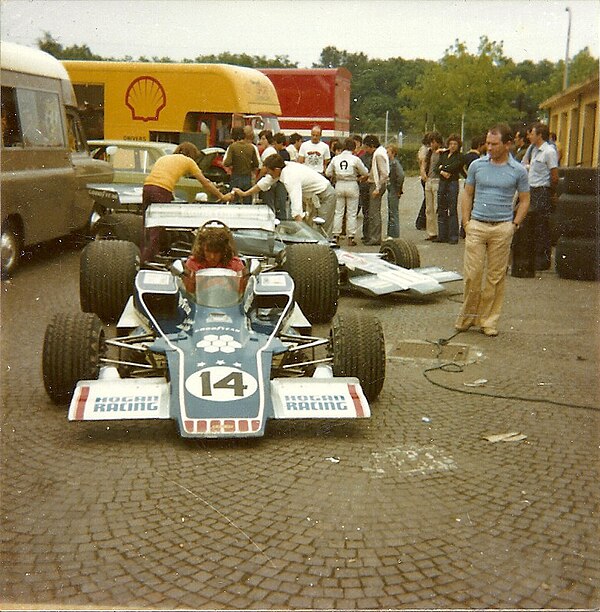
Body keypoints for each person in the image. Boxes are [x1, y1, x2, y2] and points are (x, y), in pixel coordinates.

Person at [455, 124, 530, 337]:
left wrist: (514, 224)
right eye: (487, 143)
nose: (489, 147)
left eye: (494, 144)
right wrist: (466, 222)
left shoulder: (518, 171)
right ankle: (468, 317)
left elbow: (525, 200)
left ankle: (488, 320)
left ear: (507, 144)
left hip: (502, 228)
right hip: (477, 226)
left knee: (495, 277)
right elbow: (467, 194)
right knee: (473, 274)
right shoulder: (477, 166)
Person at [141, 141, 232, 262]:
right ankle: (148, 260)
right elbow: (205, 183)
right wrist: (222, 196)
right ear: (192, 154)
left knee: (147, 224)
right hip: (162, 190)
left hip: (147, 187)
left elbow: (162, 176)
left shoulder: (164, 158)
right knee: (158, 227)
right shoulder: (189, 161)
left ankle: (144, 254)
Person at [232, 154, 336, 233]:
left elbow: (296, 205)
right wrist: (245, 194)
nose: (268, 173)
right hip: (313, 197)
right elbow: (264, 183)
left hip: (325, 195)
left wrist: (300, 229)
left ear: (276, 170)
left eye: (269, 171)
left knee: (322, 230)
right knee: (312, 230)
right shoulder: (281, 168)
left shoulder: (290, 177)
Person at [522, 122, 559, 271]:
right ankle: (533, 257)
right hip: (532, 190)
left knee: (542, 226)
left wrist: (551, 192)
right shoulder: (533, 151)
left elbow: (554, 175)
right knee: (532, 225)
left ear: (539, 135)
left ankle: (543, 261)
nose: (529, 136)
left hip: (542, 190)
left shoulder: (549, 152)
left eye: (532, 133)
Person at [325, 137, 368, 245]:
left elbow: (328, 173)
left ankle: (336, 235)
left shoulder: (336, 158)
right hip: (352, 184)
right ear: (353, 148)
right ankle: (351, 237)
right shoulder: (355, 159)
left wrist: (336, 174)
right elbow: (365, 172)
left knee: (338, 212)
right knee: (351, 213)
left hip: (339, 184)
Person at [183, 224, 246, 294]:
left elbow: (241, 293)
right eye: (208, 251)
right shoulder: (193, 263)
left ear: (223, 251)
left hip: (229, 302)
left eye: (216, 252)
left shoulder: (235, 264)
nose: (212, 256)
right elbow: (189, 293)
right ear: (202, 250)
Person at [436, 134, 464, 244]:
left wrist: (442, 168)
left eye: (455, 144)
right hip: (443, 182)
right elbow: (436, 167)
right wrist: (442, 171)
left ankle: (453, 236)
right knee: (441, 208)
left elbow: (454, 166)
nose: (452, 146)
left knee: (452, 209)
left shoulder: (460, 156)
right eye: (451, 144)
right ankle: (442, 235)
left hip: (452, 182)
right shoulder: (444, 154)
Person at [362, 134, 389, 246]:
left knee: (374, 212)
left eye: (367, 147)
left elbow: (384, 173)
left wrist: (377, 188)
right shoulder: (380, 152)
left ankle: (375, 237)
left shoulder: (378, 155)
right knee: (373, 212)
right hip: (374, 182)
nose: (366, 150)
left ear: (371, 145)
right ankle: (373, 236)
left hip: (377, 185)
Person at [222, 126, 259, 204]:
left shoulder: (232, 147)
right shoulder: (251, 147)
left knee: (234, 200)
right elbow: (256, 164)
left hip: (235, 176)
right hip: (247, 178)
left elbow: (226, 162)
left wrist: (233, 163)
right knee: (247, 201)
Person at [423, 131, 443, 241]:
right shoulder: (429, 153)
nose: (432, 144)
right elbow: (425, 163)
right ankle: (431, 232)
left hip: (437, 180)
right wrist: (423, 173)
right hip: (429, 180)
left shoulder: (442, 153)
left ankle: (440, 231)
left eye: (434, 142)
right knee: (429, 208)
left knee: (436, 207)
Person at [386, 144, 405, 239]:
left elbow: (401, 175)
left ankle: (394, 234)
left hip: (393, 188)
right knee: (391, 211)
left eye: (388, 152)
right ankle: (390, 233)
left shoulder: (394, 164)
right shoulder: (389, 163)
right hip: (391, 188)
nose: (386, 154)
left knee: (393, 212)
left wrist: (398, 188)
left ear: (393, 153)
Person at [416, 132, 432, 230]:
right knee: (427, 200)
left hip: (424, 176)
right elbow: (422, 161)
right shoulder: (425, 150)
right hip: (425, 176)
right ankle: (421, 221)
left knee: (427, 199)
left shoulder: (424, 149)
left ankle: (422, 221)